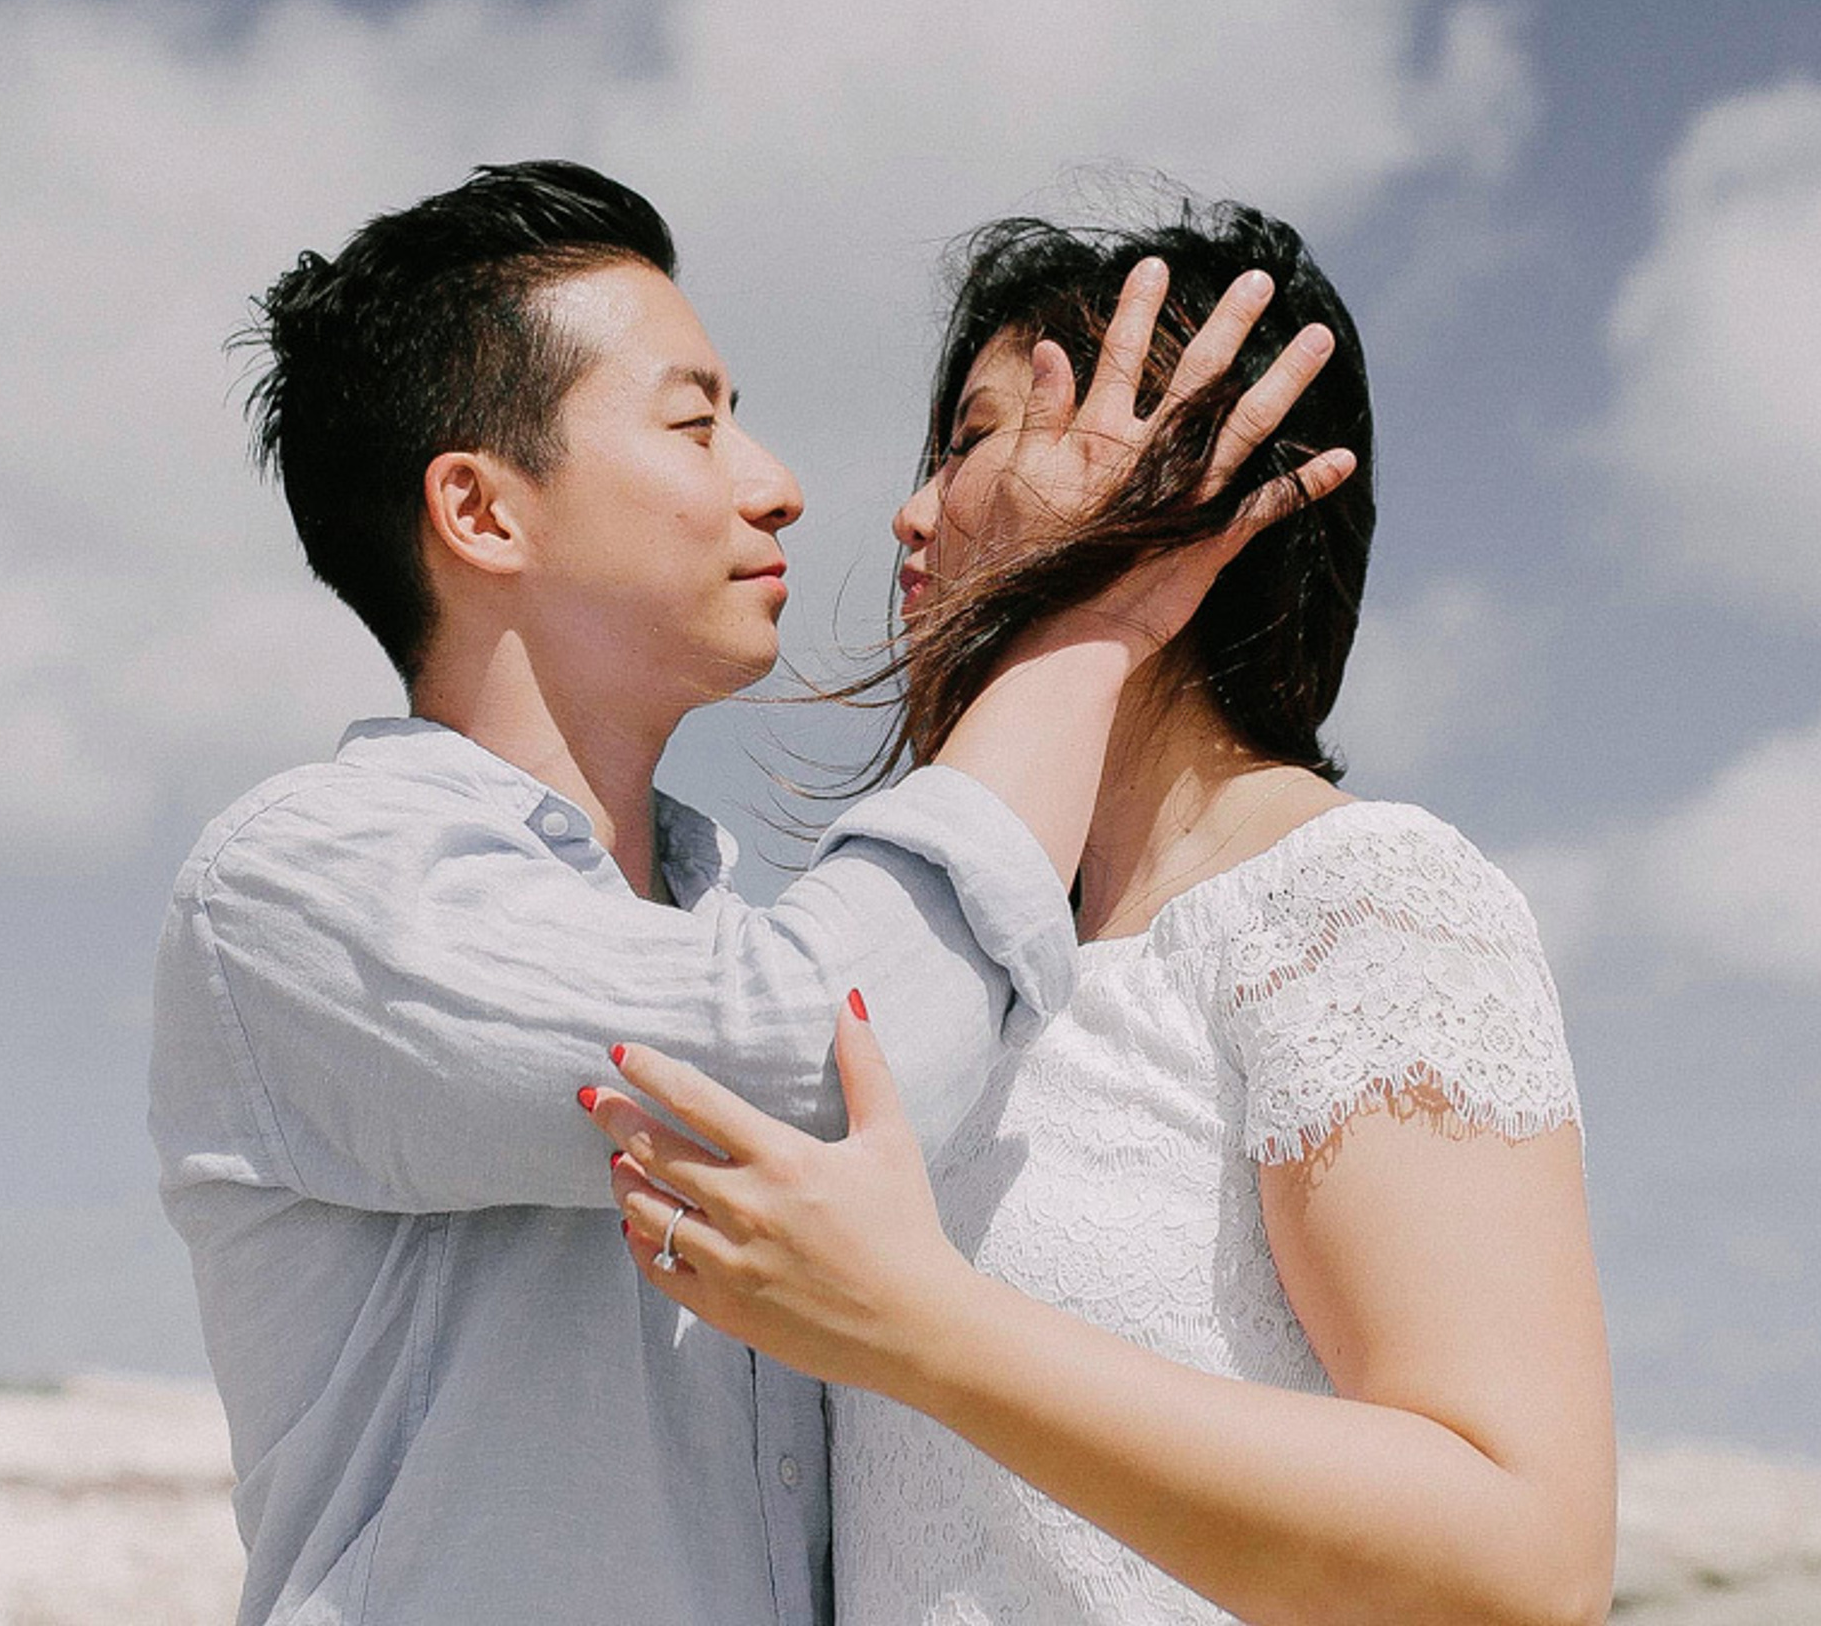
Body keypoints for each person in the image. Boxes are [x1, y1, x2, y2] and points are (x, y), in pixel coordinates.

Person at [148, 162, 1351, 1626]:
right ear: (479, 510)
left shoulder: (725, 917)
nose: (777, 481)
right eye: (694, 420)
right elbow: (814, 1060)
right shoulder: (309, 886)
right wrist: (1087, 619)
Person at [590, 198, 1617, 1626]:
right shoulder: (972, 969)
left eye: (971, 443)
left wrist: (924, 1327)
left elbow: (1525, 1557)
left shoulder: (1357, 898)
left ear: (1171, 479)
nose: (910, 510)